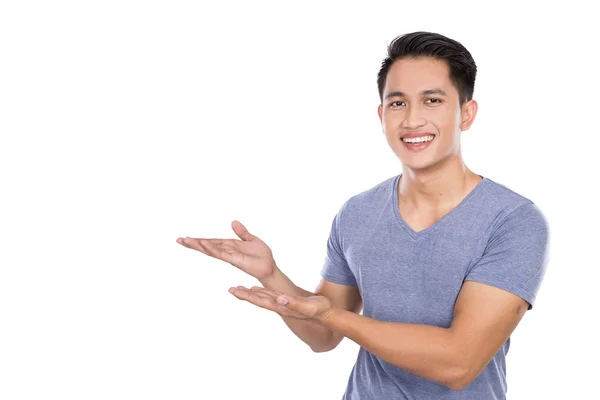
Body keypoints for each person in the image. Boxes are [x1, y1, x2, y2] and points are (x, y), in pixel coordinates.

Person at [176, 31, 550, 399]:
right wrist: (271, 275)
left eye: (432, 100)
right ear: (381, 114)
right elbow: (323, 336)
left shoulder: (513, 221)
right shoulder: (357, 213)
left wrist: (332, 318)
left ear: (466, 114)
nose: (412, 120)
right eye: (398, 103)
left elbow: (458, 364)